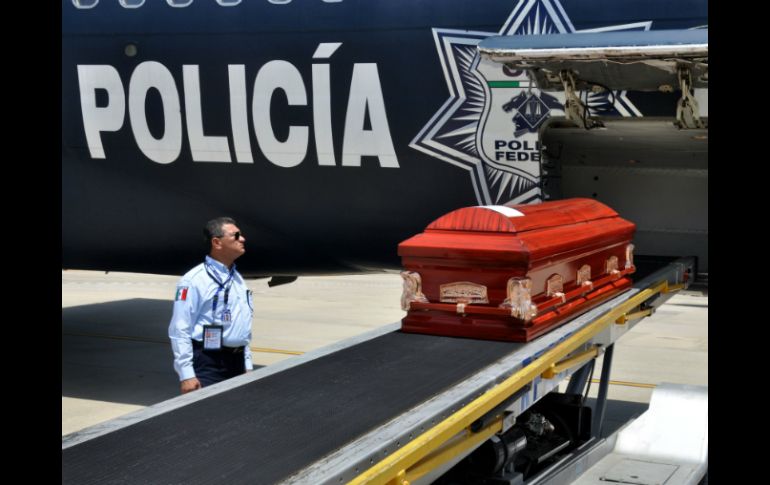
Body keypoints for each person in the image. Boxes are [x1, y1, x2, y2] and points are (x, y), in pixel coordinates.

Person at [168, 217, 254, 394]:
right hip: (209, 364)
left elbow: (242, 325)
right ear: (217, 242)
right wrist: (186, 375)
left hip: (236, 362)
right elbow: (180, 328)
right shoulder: (193, 280)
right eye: (236, 235)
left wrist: (247, 364)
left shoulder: (237, 278)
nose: (242, 239)